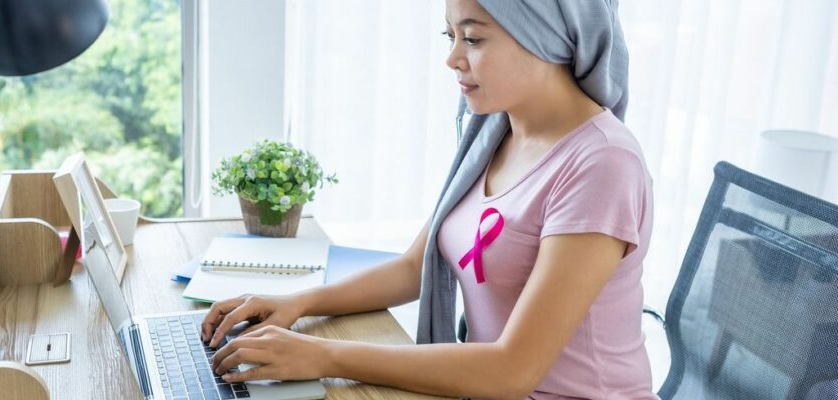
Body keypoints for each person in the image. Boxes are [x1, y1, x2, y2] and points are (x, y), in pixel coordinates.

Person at [201, 0, 656, 398]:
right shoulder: (493, 133)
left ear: (545, 37)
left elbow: (513, 371)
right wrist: (298, 304)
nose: (452, 58)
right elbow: (412, 268)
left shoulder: (602, 164)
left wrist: (323, 355)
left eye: (473, 39)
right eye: (450, 35)